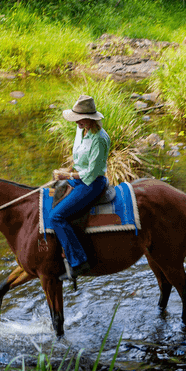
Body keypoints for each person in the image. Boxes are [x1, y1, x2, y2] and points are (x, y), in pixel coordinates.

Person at [50, 94, 111, 281]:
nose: (76, 121)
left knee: (56, 216)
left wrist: (67, 176)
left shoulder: (99, 139)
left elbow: (91, 174)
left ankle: (78, 261)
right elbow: (79, 160)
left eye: (79, 118)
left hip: (92, 183)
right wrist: (67, 170)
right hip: (79, 177)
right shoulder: (81, 130)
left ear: (90, 119)